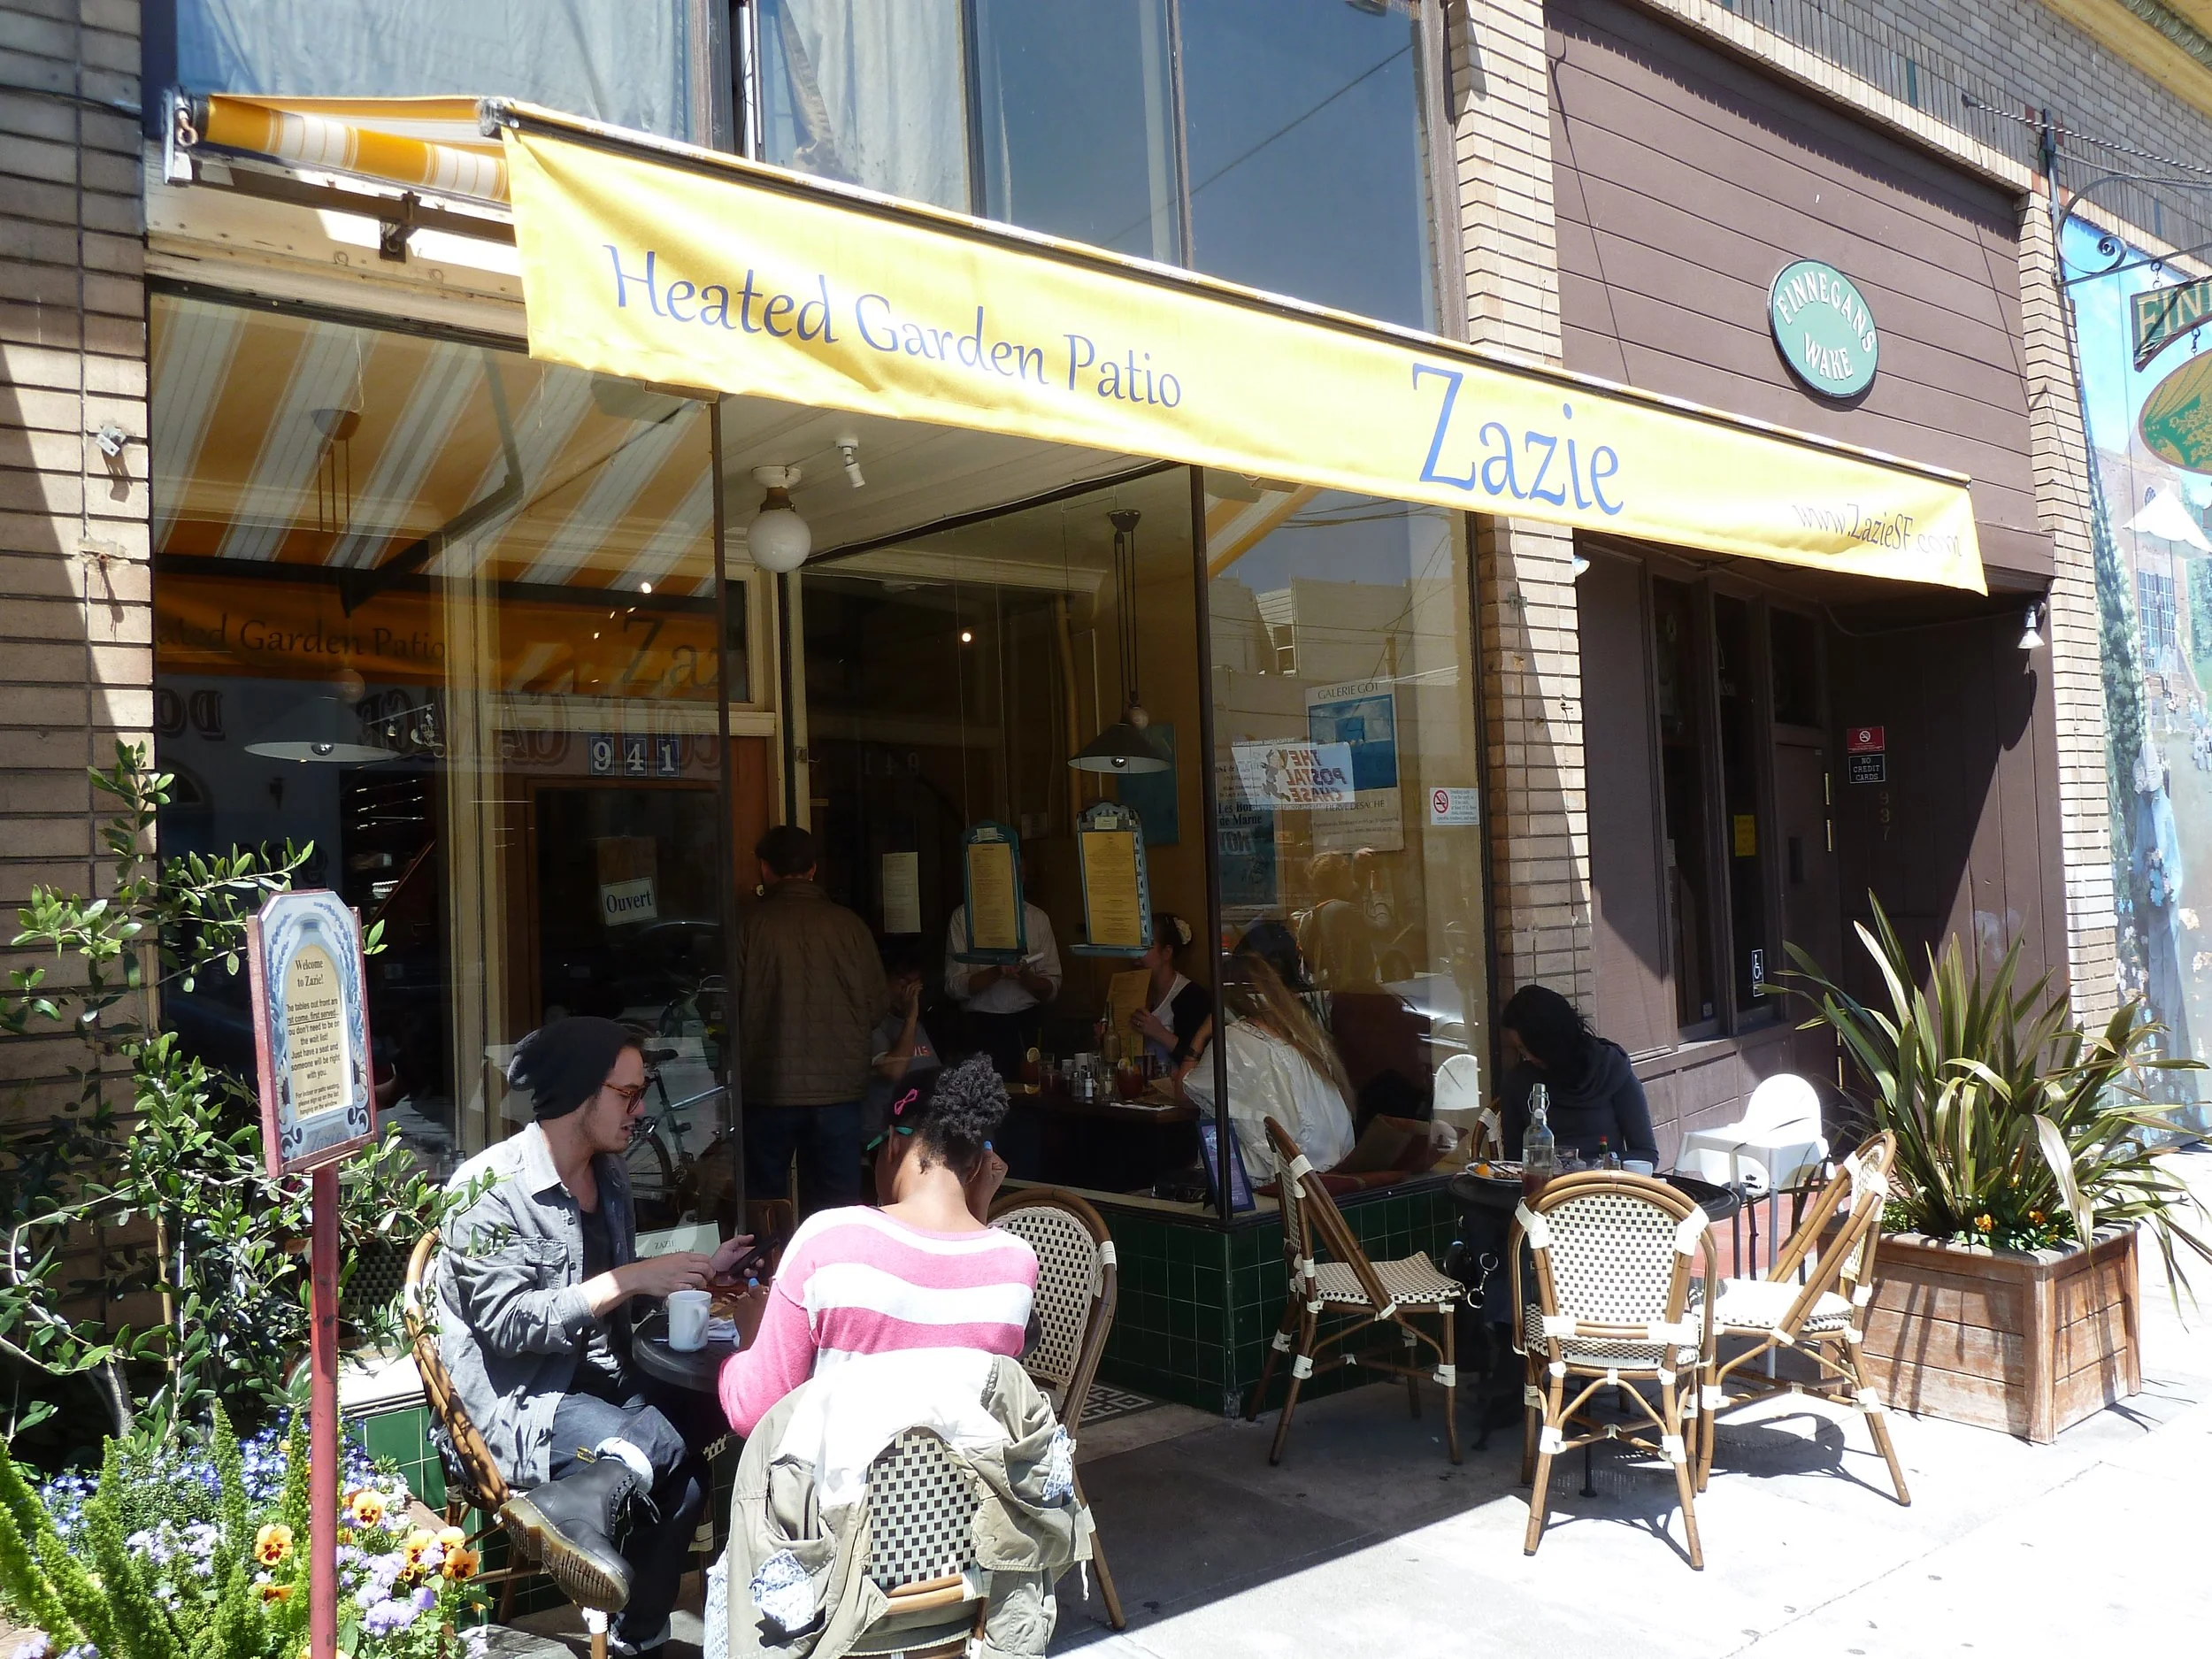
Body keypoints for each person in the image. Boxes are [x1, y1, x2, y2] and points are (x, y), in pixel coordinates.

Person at [441, 1017, 756, 1656]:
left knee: (724, 1393)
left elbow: (614, 1314)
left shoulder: (609, 1176)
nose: (640, 1111)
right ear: (582, 1091)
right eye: (628, 1094)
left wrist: (698, 1272)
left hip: (607, 1387)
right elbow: (509, 1325)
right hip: (525, 1400)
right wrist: (634, 1277)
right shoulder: (489, 1191)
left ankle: (601, 1501)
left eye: (643, 1093)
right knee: (686, 1482)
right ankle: (638, 1639)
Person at [718, 1056, 1036, 1438]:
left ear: (894, 1144)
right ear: (978, 1167)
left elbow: (754, 1414)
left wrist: (750, 1343)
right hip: (961, 1493)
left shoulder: (827, 1241)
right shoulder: (1016, 1264)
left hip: (842, 1495)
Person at [736, 825, 887, 1215]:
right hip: (839, 1090)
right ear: (813, 869)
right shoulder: (850, 927)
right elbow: (876, 1007)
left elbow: (722, 1009)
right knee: (836, 1209)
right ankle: (831, 1274)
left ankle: (766, 1274)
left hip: (768, 1088)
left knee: (765, 1204)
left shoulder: (749, 926)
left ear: (765, 868)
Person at [1180, 953, 1357, 1177]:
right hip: (1329, 1171)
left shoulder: (1234, 1040)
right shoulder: (1305, 1034)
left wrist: (1202, 1035)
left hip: (1276, 1176)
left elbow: (1184, 1094)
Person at [1495, 984, 1660, 1166]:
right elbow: (1514, 1162)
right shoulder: (1519, 1082)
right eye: (1520, 1049)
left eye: (1529, 1047)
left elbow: (1646, 1154)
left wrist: (1591, 1165)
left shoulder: (1609, 1068)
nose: (1527, 1056)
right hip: (1547, 1189)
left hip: (1603, 1186)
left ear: (1549, 1041)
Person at [944, 887, 1064, 1078]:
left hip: (1026, 1024)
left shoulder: (1037, 918)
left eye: (1020, 875)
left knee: (1031, 1097)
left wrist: (1024, 975)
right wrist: (996, 971)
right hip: (980, 1026)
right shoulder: (963, 916)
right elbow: (953, 987)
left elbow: (1052, 988)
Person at [864, 939, 942, 1142]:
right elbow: (894, 1071)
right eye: (903, 984)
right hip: (882, 1135)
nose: (909, 993)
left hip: (918, 1131)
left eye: (915, 985)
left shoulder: (918, 1026)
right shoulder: (873, 1024)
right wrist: (911, 1017)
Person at [1128, 910, 1210, 1078]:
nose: (1135, 955)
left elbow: (1203, 1063)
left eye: (1145, 946)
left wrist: (1159, 1033)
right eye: (1133, 946)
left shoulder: (1191, 997)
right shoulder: (1132, 993)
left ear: (1167, 952)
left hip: (1175, 1094)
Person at [1297, 852, 1377, 989]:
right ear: (1341, 880)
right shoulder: (1342, 910)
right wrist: (1379, 893)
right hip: (1357, 994)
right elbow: (1385, 930)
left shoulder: (1322, 910)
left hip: (1335, 994)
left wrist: (1358, 865)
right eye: (1349, 875)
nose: (1353, 880)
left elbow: (1352, 894)